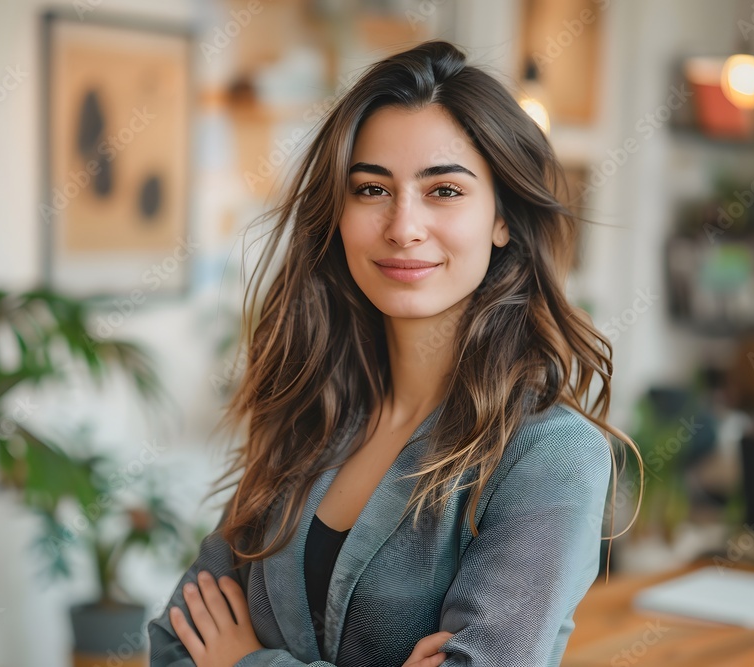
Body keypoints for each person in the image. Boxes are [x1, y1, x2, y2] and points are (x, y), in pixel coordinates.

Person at [147, 39, 641, 667]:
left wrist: (246, 661)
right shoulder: (311, 415)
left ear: (502, 218)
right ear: (339, 213)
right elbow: (173, 645)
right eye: (372, 189)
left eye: (445, 191)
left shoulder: (549, 454)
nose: (403, 227)